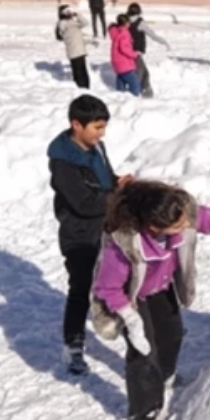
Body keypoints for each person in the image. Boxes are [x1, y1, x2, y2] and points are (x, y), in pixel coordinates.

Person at [90, 180, 210, 420]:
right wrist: (131, 320)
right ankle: (144, 415)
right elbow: (107, 287)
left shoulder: (181, 214)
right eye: (177, 226)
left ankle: (164, 377)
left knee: (172, 334)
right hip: (132, 297)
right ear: (154, 226)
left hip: (161, 287)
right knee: (143, 351)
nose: (187, 225)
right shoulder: (123, 243)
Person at [48, 95, 132, 375]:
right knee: (81, 289)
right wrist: (115, 195)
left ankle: (136, 341)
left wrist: (118, 181)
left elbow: (104, 180)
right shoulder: (63, 163)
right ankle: (73, 345)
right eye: (97, 128)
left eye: (104, 127)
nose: (102, 134)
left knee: (121, 283)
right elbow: (84, 203)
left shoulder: (97, 148)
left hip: (106, 229)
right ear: (76, 125)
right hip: (80, 235)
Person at [126, 3, 170, 98]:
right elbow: (152, 35)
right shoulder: (140, 23)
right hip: (136, 52)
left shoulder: (126, 21)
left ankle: (146, 93)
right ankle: (133, 93)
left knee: (143, 73)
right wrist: (164, 42)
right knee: (141, 72)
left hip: (128, 51)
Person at [56, 4, 91, 89]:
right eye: (67, 11)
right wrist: (66, 15)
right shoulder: (63, 23)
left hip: (81, 51)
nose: (70, 12)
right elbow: (62, 28)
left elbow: (85, 23)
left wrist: (77, 14)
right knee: (78, 72)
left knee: (83, 70)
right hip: (74, 52)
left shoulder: (73, 22)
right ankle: (81, 87)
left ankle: (86, 86)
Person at [109, 14, 141, 96]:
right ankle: (135, 100)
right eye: (129, 22)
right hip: (124, 63)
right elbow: (123, 48)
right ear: (126, 23)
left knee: (121, 81)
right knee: (135, 85)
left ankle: (119, 97)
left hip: (116, 62)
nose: (130, 24)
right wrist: (134, 54)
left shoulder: (116, 31)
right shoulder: (124, 33)